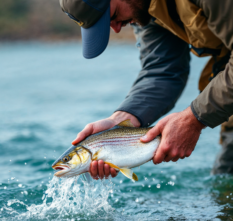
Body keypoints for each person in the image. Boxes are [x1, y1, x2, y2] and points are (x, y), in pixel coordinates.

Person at [59, 0, 233, 179]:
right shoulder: (140, 9)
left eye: (112, 16)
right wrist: (123, 119)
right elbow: (163, 70)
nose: (117, 29)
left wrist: (193, 118)